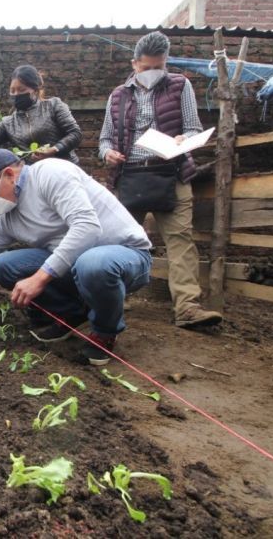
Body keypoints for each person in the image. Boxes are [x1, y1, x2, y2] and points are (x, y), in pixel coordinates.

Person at [0, 149, 152, 366]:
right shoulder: (9, 219)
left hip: (125, 254)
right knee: (2, 266)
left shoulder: (50, 173)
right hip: (77, 264)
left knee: (93, 264)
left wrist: (40, 278)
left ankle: (105, 331)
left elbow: (87, 226)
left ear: (10, 174)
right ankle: (71, 313)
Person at [99, 31, 222, 329]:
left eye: (159, 66)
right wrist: (108, 154)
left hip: (171, 173)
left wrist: (184, 138)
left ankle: (187, 308)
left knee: (180, 240)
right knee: (121, 240)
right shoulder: (118, 95)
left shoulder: (181, 85)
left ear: (165, 62)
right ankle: (116, 300)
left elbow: (194, 129)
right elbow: (104, 139)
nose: (153, 73)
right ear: (135, 63)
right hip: (130, 176)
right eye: (146, 68)